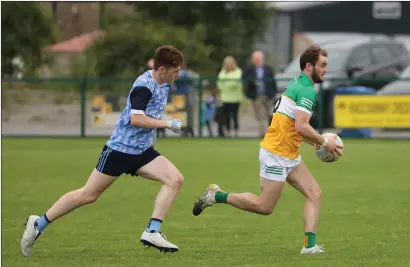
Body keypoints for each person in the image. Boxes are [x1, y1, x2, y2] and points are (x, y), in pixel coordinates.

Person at [21, 45, 185, 257]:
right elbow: (136, 119)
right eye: (175, 70)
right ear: (162, 70)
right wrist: (167, 124)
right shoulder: (144, 87)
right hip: (119, 150)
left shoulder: (163, 82)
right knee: (88, 195)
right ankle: (38, 223)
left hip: (142, 151)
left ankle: (152, 230)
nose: (178, 74)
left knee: (175, 179)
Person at [192, 46, 344, 255]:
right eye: (323, 65)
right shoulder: (307, 89)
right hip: (276, 154)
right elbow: (301, 126)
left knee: (314, 194)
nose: (326, 70)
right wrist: (324, 141)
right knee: (264, 207)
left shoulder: (298, 82)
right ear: (309, 66)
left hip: (288, 153)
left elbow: (293, 127)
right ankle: (216, 195)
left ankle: (309, 246)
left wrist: (316, 142)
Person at [242, 51, 277, 137]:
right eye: (255, 59)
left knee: (270, 114)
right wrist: (253, 81)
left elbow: (273, 82)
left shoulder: (268, 68)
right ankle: (264, 134)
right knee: (261, 116)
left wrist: (273, 93)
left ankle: (272, 133)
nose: (257, 60)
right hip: (257, 95)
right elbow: (244, 78)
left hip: (268, 95)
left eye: (259, 59)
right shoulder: (249, 69)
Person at [217, 56, 243, 137]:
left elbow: (235, 82)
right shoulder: (222, 72)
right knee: (226, 116)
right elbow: (220, 84)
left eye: (230, 63)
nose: (228, 65)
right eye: (227, 64)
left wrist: (226, 84)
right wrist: (227, 84)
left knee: (235, 115)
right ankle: (228, 131)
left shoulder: (238, 71)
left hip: (235, 98)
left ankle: (236, 131)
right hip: (225, 98)